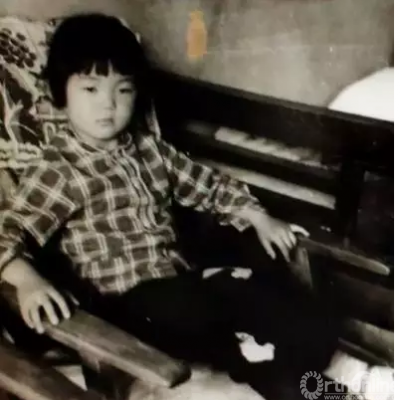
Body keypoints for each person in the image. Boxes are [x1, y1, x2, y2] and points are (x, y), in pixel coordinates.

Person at [0, 14, 392, 400]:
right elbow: (8, 231)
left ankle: (335, 386)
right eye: (90, 89)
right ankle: (335, 376)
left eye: (124, 90)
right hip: (124, 305)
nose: (108, 104)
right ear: (60, 94)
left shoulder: (149, 150)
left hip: (181, 288)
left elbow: (209, 186)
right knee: (236, 311)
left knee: (264, 314)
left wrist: (258, 217)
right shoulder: (59, 169)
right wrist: (28, 281)